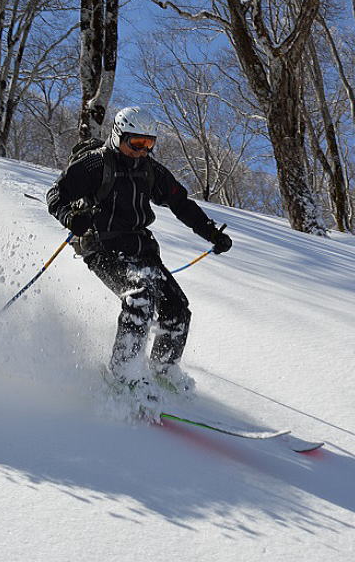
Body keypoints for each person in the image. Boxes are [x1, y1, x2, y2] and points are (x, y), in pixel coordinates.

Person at [46, 106, 232, 418]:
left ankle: (163, 368)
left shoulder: (149, 170)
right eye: (136, 144)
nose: (142, 151)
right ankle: (124, 374)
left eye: (149, 145)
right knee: (139, 298)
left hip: (140, 249)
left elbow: (180, 202)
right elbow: (56, 194)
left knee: (177, 307)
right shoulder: (94, 164)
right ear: (118, 135)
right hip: (102, 246)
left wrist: (210, 232)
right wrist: (71, 218)